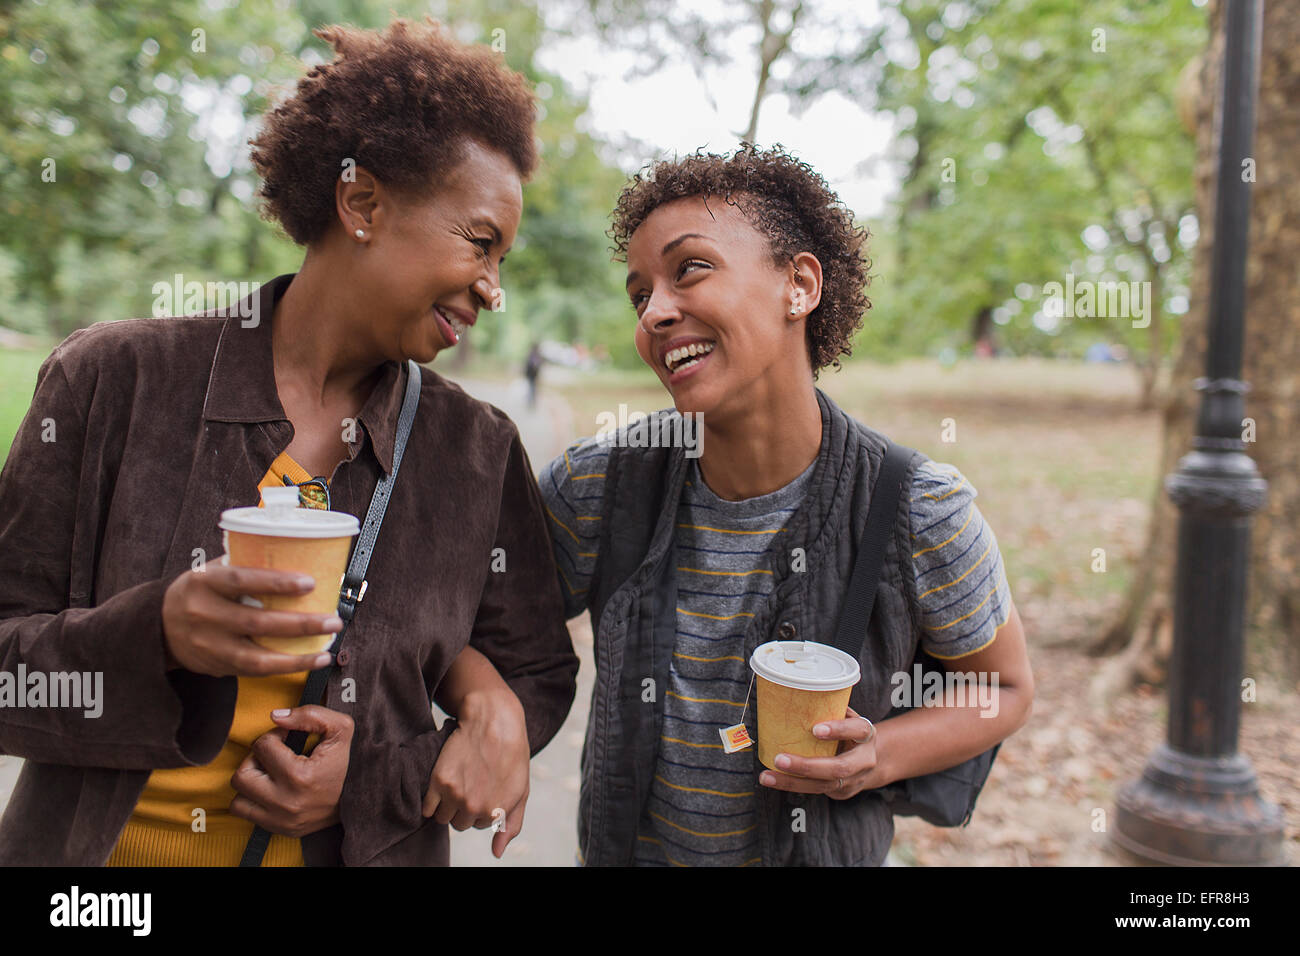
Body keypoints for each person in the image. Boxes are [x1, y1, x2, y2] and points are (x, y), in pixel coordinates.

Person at [0, 19, 577, 866]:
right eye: (480, 243)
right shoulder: (113, 380)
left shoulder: (474, 449)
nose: (492, 290)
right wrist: (153, 633)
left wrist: (387, 775)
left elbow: (537, 674)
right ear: (362, 204)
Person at [540, 144, 1034, 866]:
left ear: (798, 285)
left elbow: (1006, 689)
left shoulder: (917, 509)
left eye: (690, 270)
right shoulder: (597, 486)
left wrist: (879, 755)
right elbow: (484, 627)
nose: (655, 312)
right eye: (639, 293)